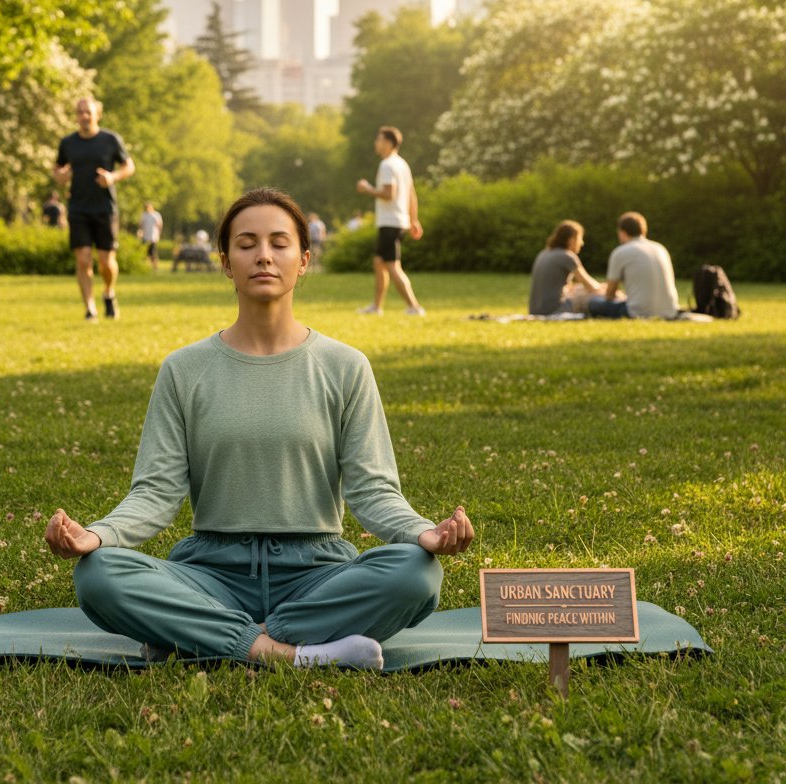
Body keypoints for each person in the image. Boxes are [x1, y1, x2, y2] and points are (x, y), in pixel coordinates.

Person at [45, 187, 473, 670]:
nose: (264, 256)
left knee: (416, 574)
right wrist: (97, 535)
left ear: (304, 259)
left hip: (317, 574)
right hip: (209, 573)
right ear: (227, 263)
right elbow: (156, 491)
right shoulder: (184, 369)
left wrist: (422, 533)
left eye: (279, 243)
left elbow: (373, 490)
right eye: (247, 244)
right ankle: (290, 654)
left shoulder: (346, 366)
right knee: (98, 576)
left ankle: (201, 636)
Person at [53, 97, 136, 321]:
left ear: (97, 114)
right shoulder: (68, 143)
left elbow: (129, 166)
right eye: (80, 112)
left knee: (106, 261)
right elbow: (58, 168)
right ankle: (90, 307)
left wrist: (112, 177)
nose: (84, 116)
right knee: (83, 259)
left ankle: (109, 293)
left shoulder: (110, 140)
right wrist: (60, 175)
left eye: (88, 112)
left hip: (104, 207)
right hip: (78, 207)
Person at [356, 126, 425, 316]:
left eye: (378, 139)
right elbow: (412, 195)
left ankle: (414, 307)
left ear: (388, 142)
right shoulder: (403, 164)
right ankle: (376, 307)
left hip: (390, 222)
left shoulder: (387, 165)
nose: (375, 143)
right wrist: (414, 220)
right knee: (379, 262)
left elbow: (388, 194)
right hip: (398, 221)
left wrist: (367, 188)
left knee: (392, 266)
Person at [588, 212, 680, 319]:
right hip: (670, 311)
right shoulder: (661, 248)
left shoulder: (620, 252)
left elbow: (610, 295)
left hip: (637, 312)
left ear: (622, 232)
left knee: (593, 302)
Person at [528, 220, 604, 316]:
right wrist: (605, 289)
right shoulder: (567, 256)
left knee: (581, 291)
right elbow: (591, 286)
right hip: (554, 309)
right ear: (571, 239)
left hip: (535, 310)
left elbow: (569, 288)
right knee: (590, 297)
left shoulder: (543, 253)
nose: (582, 243)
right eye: (580, 238)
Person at [138, 202, 164, 271]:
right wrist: (140, 232)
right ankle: (143, 267)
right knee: (144, 253)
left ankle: (155, 267)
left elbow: (160, 225)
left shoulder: (156, 215)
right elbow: (141, 225)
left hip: (153, 237)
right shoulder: (144, 215)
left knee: (153, 253)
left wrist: (158, 235)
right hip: (145, 237)